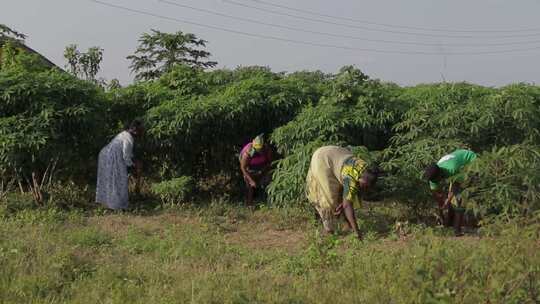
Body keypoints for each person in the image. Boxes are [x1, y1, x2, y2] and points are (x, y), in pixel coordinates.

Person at [305, 146, 378, 240]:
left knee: (340, 196)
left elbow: (346, 197)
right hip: (322, 160)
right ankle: (328, 229)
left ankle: (346, 224)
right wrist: (357, 232)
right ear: (363, 180)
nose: (365, 189)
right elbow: (348, 205)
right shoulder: (350, 178)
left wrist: (342, 203)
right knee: (328, 198)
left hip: (333, 153)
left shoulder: (363, 167)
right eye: (366, 186)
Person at [424, 149, 477, 236]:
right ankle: (448, 224)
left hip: (469, 159)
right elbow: (436, 193)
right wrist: (442, 205)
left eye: (437, 180)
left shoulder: (451, 169)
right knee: (451, 200)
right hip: (456, 162)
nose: (436, 182)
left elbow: (456, 187)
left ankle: (457, 230)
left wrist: (448, 200)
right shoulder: (432, 176)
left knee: (459, 198)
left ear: (440, 175)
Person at [96, 120, 144, 210]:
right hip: (112, 157)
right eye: (141, 131)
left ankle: (111, 205)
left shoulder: (124, 134)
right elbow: (126, 155)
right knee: (118, 181)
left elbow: (128, 154)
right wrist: (132, 167)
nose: (141, 133)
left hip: (106, 155)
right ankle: (119, 206)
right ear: (134, 130)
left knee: (112, 181)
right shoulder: (129, 138)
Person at [239, 134, 273, 206]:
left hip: (262, 168)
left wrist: (263, 171)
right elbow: (243, 168)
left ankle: (268, 202)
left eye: (260, 148)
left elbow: (270, 163)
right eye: (257, 149)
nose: (259, 150)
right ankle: (249, 204)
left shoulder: (267, 149)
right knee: (249, 187)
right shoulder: (247, 153)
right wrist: (251, 181)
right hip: (249, 170)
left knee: (268, 180)